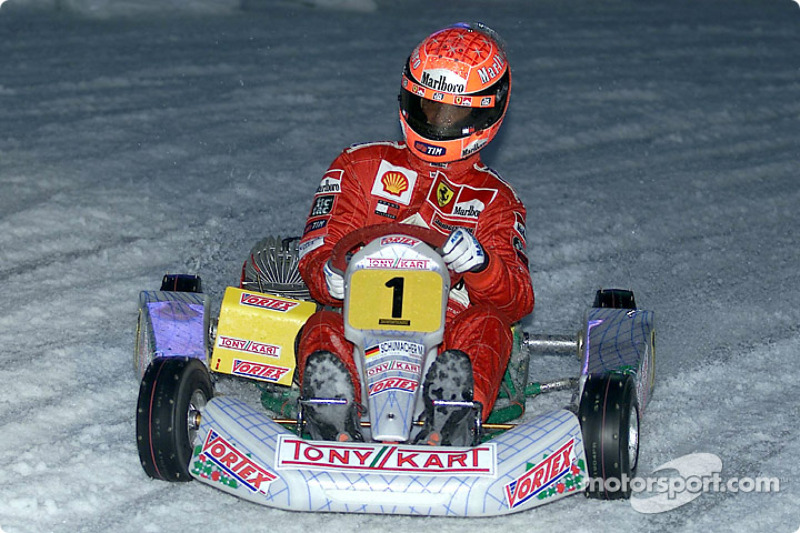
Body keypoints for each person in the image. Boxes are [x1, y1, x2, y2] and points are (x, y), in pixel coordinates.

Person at [296, 22, 534, 445]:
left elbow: (516, 300)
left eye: (453, 114)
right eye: (426, 108)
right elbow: (320, 247)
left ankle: (453, 414)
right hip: (358, 327)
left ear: (486, 115)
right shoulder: (359, 165)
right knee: (321, 325)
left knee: (488, 325)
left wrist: (482, 265)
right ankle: (333, 412)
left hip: (445, 337)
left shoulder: (495, 199)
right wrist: (328, 273)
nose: (437, 123)